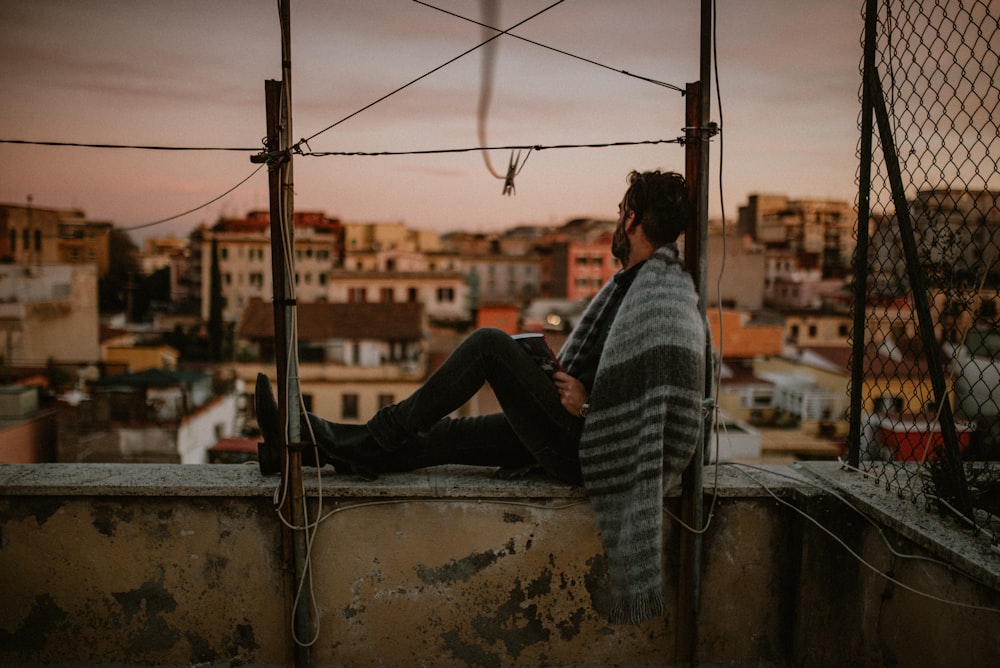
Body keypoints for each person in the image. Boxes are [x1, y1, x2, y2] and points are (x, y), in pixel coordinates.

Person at [255, 169, 707, 624]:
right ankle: (297, 447)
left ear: (630, 220)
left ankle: (371, 436)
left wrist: (588, 405)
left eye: (619, 215)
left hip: (584, 447)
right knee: (446, 438)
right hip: (575, 428)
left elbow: (659, 416)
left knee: (490, 344)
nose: (616, 224)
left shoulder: (660, 300)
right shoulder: (637, 286)